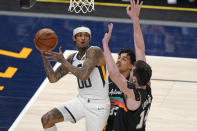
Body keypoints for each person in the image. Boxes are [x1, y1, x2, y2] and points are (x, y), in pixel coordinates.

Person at [39, 26, 110, 131]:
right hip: (81, 101)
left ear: (90, 39)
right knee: (47, 119)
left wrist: (63, 61)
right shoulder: (72, 58)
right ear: (74, 38)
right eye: (80, 35)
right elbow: (53, 78)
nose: (83, 38)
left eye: (86, 36)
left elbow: (83, 76)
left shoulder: (95, 51)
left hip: (98, 106)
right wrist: (43, 54)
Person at [102, 0, 153, 130]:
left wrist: (106, 45)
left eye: (133, 69)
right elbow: (140, 48)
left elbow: (114, 74)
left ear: (134, 79)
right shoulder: (147, 87)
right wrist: (135, 20)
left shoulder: (133, 94)